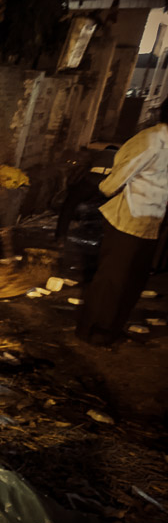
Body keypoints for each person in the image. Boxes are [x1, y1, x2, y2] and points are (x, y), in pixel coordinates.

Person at [76, 99, 168, 346]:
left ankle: (112, 329)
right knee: (112, 280)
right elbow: (114, 181)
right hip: (127, 220)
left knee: (133, 282)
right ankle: (93, 331)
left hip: (151, 223)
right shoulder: (150, 140)